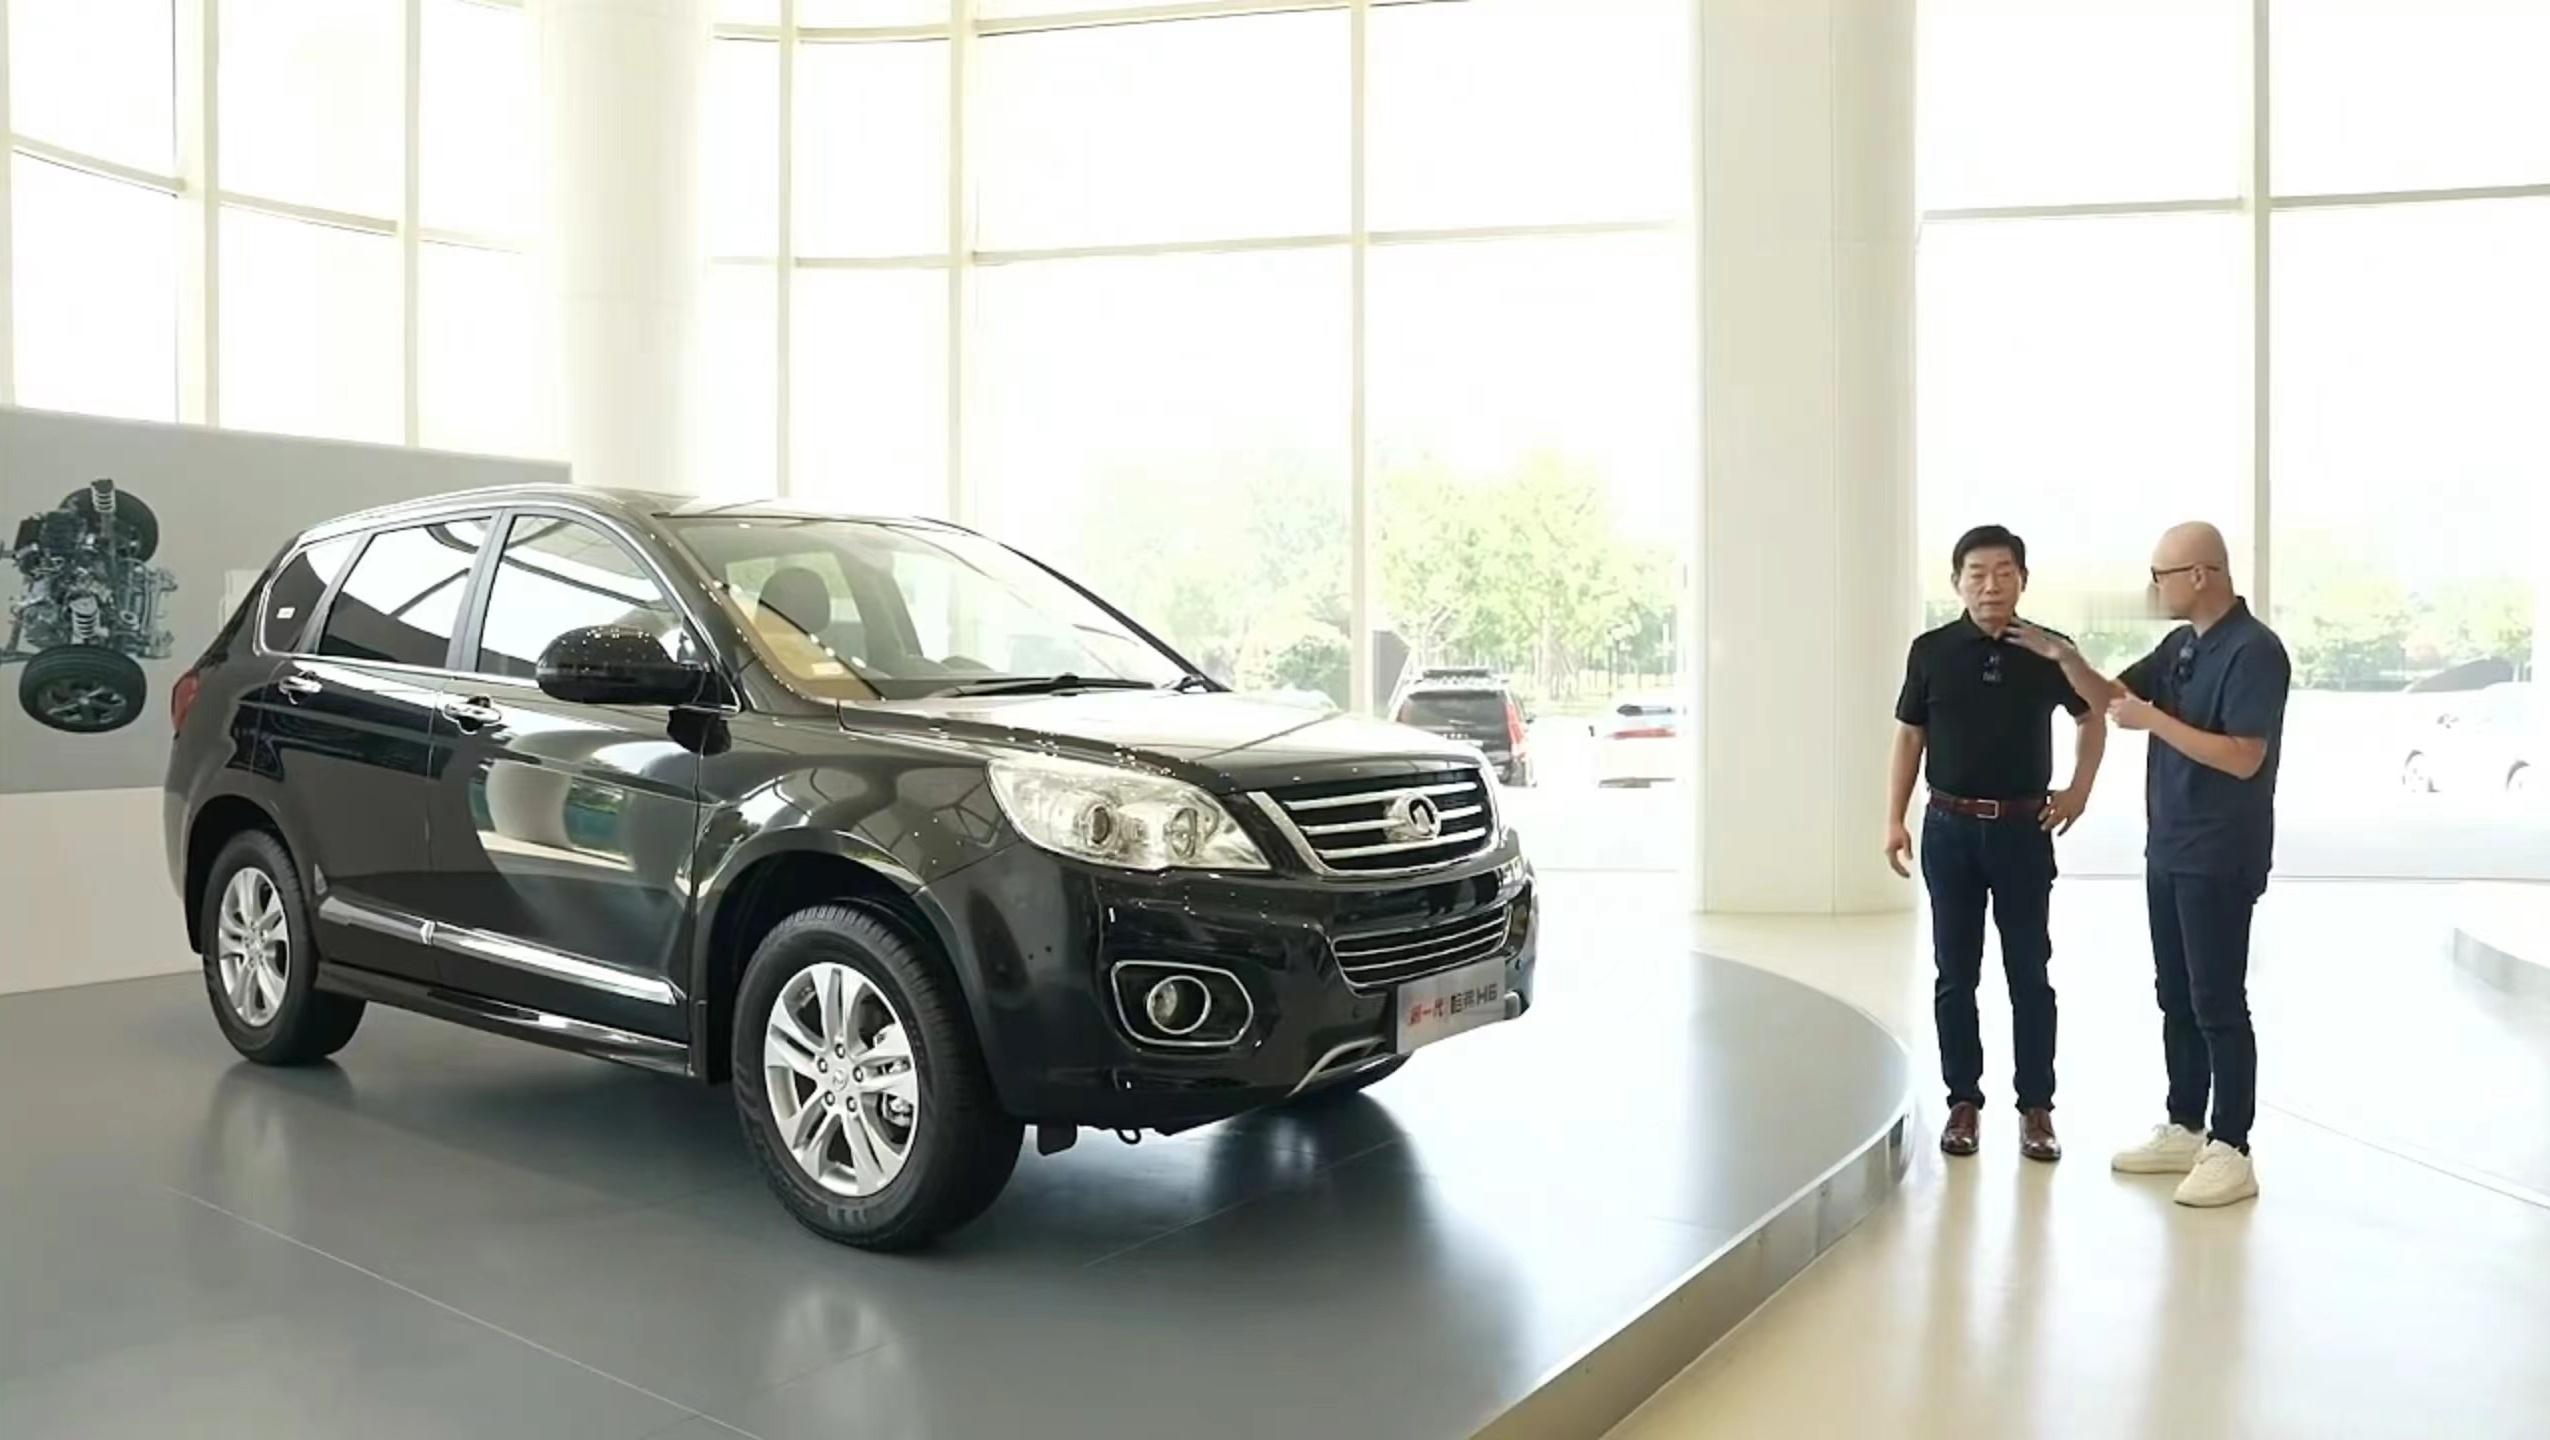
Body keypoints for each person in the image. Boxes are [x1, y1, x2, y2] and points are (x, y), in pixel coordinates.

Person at [2010, 521, 2290, 1209]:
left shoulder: (2255, 651)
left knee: (2218, 999)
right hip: (2169, 845)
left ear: (2200, 575)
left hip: (2220, 850)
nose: (2153, 588)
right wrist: (2065, 657)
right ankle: (2186, 1125)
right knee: (2176, 993)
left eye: (2160, 575)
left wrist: (2155, 721)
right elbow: (2111, 697)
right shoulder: (2181, 645)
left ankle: (2232, 1147)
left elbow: (2244, 756)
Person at [1889, 525, 2106, 1163]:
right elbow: (1910, 736)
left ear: (2023, 581)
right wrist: (1894, 818)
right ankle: (1963, 1101)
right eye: (1977, 574)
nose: (1991, 586)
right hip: (1949, 828)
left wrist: (2079, 791)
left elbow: (2094, 715)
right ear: (1957, 583)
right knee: (1955, 972)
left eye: (2004, 573)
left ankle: (2037, 1108)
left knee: (2029, 971)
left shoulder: (2050, 651)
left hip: (2022, 829)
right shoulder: (1931, 650)